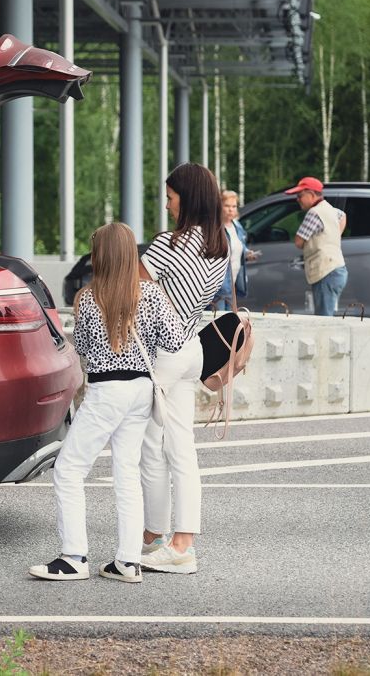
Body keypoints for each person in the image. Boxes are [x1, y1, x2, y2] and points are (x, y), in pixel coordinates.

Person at [29, 222, 185, 583]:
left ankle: (73, 557)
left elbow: (81, 349)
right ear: (132, 254)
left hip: (106, 392)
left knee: (69, 470)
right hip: (140, 392)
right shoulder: (152, 295)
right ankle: (127, 561)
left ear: (99, 256)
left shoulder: (88, 298)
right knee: (126, 473)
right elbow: (175, 341)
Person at [138, 162, 228, 575]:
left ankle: (163, 539)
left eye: (171, 197)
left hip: (162, 355)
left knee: (150, 448)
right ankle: (176, 541)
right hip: (192, 348)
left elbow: (131, 291)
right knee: (179, 448)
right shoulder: (221, 244)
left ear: (186, 198)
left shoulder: (168, 245)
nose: (167, 205)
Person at [286, 176, 348, 316]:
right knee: (328, 314)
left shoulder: (314, 213)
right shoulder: (330, 209)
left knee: (324, 318)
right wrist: (333, 235)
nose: (298, 199)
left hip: (325, 271)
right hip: (337, 269)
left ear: (312, 194)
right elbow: (343, 216)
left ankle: (326, 339)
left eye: (300, 195)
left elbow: (298, 241)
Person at [213, 190, 251, 311]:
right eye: (227, 206)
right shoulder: (215, 228)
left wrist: (247, 253)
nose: (231, 209)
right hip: (217, 287)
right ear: (220, 206)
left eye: (234, 206)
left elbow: (240, 245)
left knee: (229, 323)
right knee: (217, 324)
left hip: (232, 284)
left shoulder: (237, 225)